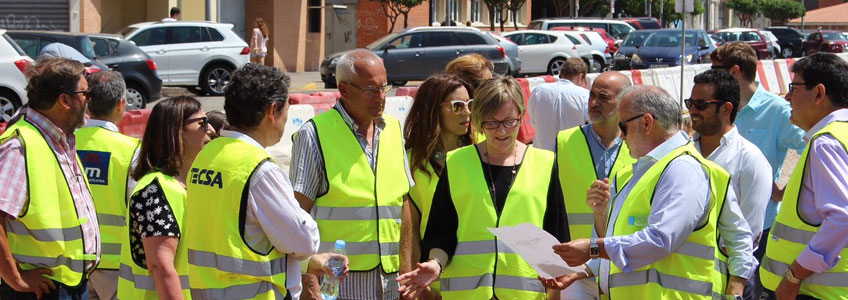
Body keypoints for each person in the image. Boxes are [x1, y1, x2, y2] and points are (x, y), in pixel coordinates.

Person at [548, 86, 755, 299]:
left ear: (646, 123)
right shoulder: (638, 173)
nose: (621, 136)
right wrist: (583, 271)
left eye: (623, 126)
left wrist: (592, 248)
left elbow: (659, 240)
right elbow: (621, 241)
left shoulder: (682, 168)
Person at [396, 76, 568, 300]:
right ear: (478, 120)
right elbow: (441, 231)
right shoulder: (456, 162)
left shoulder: (545, 163)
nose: (501, 131)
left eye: (509, 122)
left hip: (525, 294)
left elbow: (556, 236)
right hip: (466, 294)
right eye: (491, 123)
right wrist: (435, 264)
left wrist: (555, 294)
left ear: (521, 116)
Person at [187, 63, 346, 299]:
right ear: (272, 111)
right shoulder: (259, 168)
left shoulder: (207, 156)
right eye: (286, 110)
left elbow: (241, 242)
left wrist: (308, 264)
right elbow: (303, 240)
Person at [291, 49, 412, 300]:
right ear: (344, 90)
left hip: (389, 281)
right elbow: (297, 217)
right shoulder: (314, 134)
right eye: (371, 90)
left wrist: (406, 272)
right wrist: (309, 283)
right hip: (338, 285)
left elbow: (403, 204)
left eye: (384, 87)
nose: (381, 97)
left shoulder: (392, 130)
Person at [710, 43, 806, 293]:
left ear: (734, 71)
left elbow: (812, 147)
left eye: (715, 69)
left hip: (757, 229)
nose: (710, 74)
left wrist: (784, 190)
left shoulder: (777, 110)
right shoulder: (716, 105)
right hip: (713, 224)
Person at [0, 57, 99, 299]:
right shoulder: (20, 146)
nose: (89, 99)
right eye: (85, 93)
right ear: (64, 100)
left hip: (70, 284)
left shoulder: (60, 139)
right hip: (42, 288)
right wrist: (15, 278)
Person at [759, 53, 848, 300]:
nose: (787, 97)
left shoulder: (826, 144)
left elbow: (842, 217)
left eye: (793, 88)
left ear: (819, 93)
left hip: (814, 291)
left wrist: (794, 276)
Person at [688, 69, 773, 299]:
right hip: (685, 277)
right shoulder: (682, 153)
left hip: (730, 281)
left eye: (700, 104)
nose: (692, 110)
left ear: (726, 109)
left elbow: (749, 233)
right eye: (690, 103)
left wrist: (734, 286)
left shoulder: (750, 160)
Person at [549, 71, 634, 299]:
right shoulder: (565, 141)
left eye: (603, 97)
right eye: (592, 95)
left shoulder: (639, 146)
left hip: (620, 261)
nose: (594, 103)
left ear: (625, 102)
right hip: (573, 263)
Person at [116, 96, 211, 299]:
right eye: (203, 122)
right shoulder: (153, 191)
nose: (210, 130)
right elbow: (161, 267)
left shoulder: (188, 184)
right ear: (177, 131)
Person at [399, 74, 476, 300]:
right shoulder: (411, 162)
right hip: (434, 282)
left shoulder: (482, 152)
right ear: (434, 110)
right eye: (457, 106)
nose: (467, 113)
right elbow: (410, 232)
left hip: (480, 278)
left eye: (470, 105)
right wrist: (419, 286)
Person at [76, 71, 140, 300]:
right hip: (116, 263)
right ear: (121, 103)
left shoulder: (66, 142)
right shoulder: (132, 150)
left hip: (75, 260)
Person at [527, 57, 589, 151]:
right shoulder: (585, 96)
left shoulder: (539, 91)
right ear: (580, 76)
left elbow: (533, 120)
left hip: (542, 154)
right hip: (571, 155)